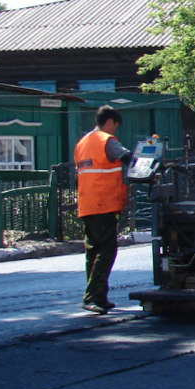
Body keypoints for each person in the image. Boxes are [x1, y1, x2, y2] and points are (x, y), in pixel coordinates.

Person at [74, 105, 131, 314]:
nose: (115, 130)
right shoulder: (106, 141)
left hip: (87, 204)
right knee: (107, 250)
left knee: (93, 251)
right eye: (116, 126)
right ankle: (92, 297)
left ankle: (100, 295)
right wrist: (152, 164)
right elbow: (127, 157)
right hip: (103, 204)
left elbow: (78, 176)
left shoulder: (82, 143)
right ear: (110, 122)